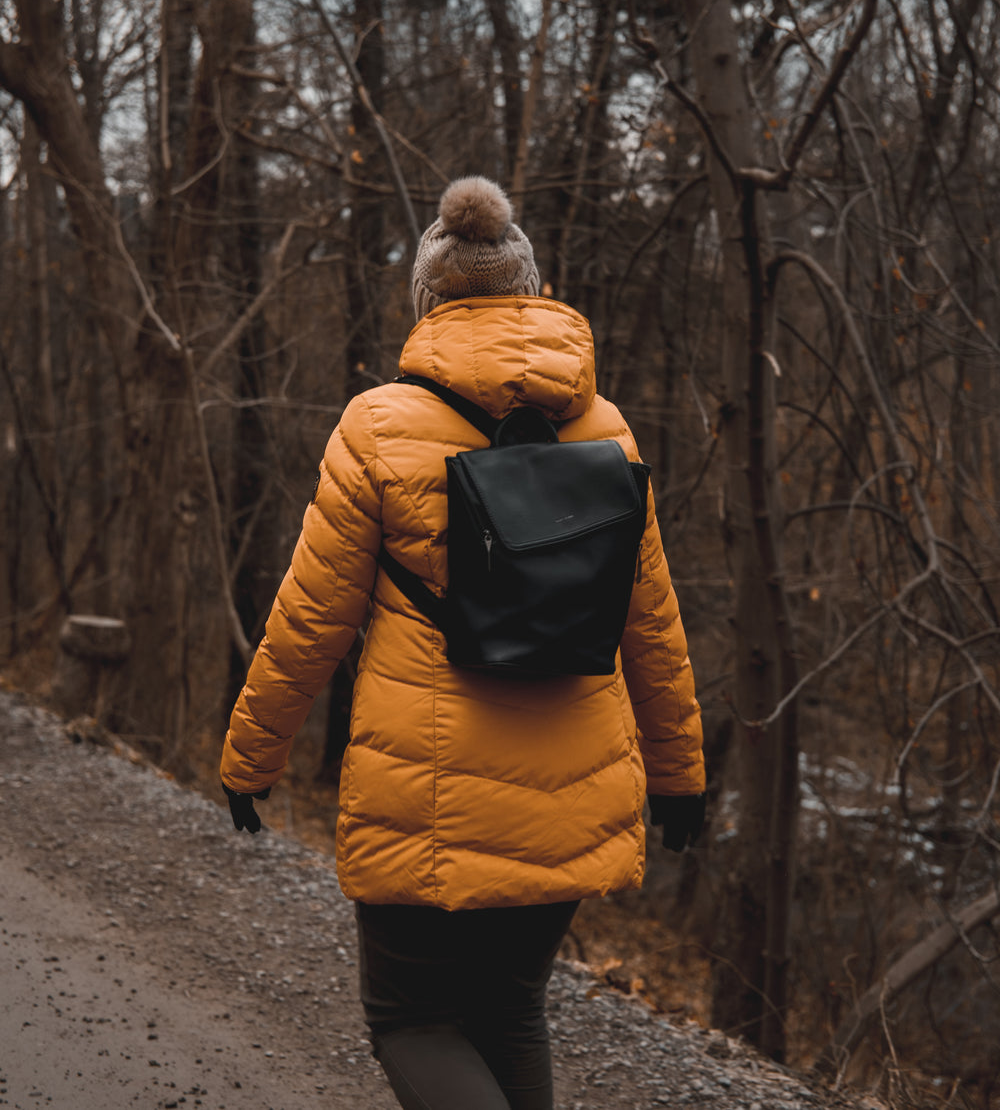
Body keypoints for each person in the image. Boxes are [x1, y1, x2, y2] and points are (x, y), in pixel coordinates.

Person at [220, 176, 706, 1110]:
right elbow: (654, 623)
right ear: (528, 291)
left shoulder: (378, 427)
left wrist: (253, 757)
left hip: (426, 789)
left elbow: (309, 620)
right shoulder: (604, 431)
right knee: (511, 1009)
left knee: (410, 1018)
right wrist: (680, 780)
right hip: (577, 785)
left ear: (427, 302)